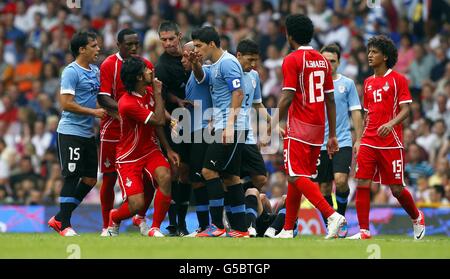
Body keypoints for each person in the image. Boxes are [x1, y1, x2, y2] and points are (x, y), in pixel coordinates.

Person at [272, 14, 346, 239]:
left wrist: (274, 122)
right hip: (318, 127)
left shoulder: (292, 59)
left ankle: (331, 214)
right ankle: (287, 228)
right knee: (297, 176)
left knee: (295, 175)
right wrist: (332, 134)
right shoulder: (322, 61)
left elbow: (287, 96)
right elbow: (330, 99)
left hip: (299, 125)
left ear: (289, 35)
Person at [349, 35, 426, 240]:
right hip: (368, 140)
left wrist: (391, 123)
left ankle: (417, 217)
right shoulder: (367, 82)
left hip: (391, 141)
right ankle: (364, 231)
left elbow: (406, 109)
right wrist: (359, 138)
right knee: (362, 182)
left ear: (385, 56)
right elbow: (368, 113)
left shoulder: (398, 79)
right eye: (369, 51)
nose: (369, 55)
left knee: (397, 189)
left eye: (374, 52)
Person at [106, 57, 179, 237]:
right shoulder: (127, 103)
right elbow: (159, 119)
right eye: (146, 69)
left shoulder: (147, 91)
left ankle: (155, 228)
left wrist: (168, 149)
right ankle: (114, 217)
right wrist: (158, 93)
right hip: (129, 156)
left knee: (165, 176)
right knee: (136, 205)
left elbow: (156, 124)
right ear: (139, 77)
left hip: (150, 149)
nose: (151, 71)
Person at [190, 26, 248, 237]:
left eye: (199, 45)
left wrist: (230, 125)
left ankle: (217, 226)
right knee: (231, 177)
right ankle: (241, 229)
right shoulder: (212, 65)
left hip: (232, 127)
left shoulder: (228, 63)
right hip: (224, 126)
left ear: (212, 44)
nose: (196, 49)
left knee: (208, 172)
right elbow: (201, 78)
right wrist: (196, 62)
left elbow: (238, 94)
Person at [47, 32, 106, 236]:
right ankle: (65, 226)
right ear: (82, 49)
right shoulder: (71, 72)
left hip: (88, 133)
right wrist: (94, 113)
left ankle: (59, 218)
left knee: (90, 179)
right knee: (71, 177)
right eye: (94, 46)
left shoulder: (96, 71)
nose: (98, 49)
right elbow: (66, 103)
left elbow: (97, 98)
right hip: (70, 132)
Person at [97, 28, 154, 236]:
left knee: (149, 176)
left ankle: (141, 215)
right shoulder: (109, 65)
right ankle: (107, 226)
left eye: (135, 44)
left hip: (141, 129)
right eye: (128, 44)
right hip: (113, 128)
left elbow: (154, 93)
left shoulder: (145, 64)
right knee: (110, 177)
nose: (132, 48)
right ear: (118, 44)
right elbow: (103, 97)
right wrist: (122, 113)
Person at [314, 44, 363, 236]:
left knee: (341, 181)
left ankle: (340, 219)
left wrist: (358, 139)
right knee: (324, 186)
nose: (328, 64)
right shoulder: (314, 85)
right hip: (319, 143)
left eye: (332, 61)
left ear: (339, 62)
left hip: (342, 141)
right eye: (325, 61)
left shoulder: (347, 84)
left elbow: (356, 112)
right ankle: (331, 221)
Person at [155, 21, 192, 236]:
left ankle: (182, 223)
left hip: (196, 121)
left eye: (171, 39)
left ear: (180, 36)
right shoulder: (161, 66)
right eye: (164, 40)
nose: (168, 43)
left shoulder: (191, 54)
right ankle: (174, 223)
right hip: (175, 123)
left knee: (186, 173)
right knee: (175, 171)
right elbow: (159, 95)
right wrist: (172, 118)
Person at [232, 39, 272, 236]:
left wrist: (272, 123)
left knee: (260, 176)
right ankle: (237, 213)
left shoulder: (254, 76)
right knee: (232, 177)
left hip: (246, 135)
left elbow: (257, 104)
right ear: (238, 56)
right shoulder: (228, 71)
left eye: (256, 60)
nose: (254, 64)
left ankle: (240, 200)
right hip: (230, 133)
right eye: (250, 60)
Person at [179, 41, 213, 236]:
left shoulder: (202, 70)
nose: (183, 60)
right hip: (194, 131)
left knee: (201, 180)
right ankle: (208, 226)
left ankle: (208, 226)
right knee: (197, 180)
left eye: (186, 56)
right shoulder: (190, 75)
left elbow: (201, 75)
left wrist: (196, 65)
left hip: (203, 131)